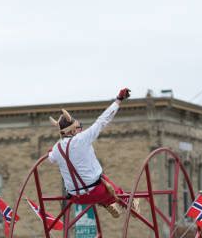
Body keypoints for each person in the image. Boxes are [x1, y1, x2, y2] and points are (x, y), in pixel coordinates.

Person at [48, 87, 139, 219]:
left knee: (93, 183)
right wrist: (118, 100)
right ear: (73, 130)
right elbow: (103, 120)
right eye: (78, 128)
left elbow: (50, 159)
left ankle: (108, 204)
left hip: (75, 198)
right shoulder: (82, 139)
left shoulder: (57, 148)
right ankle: (127, 202)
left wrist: (51, 151)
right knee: (101, 179)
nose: (80, 130)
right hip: (96, 191)